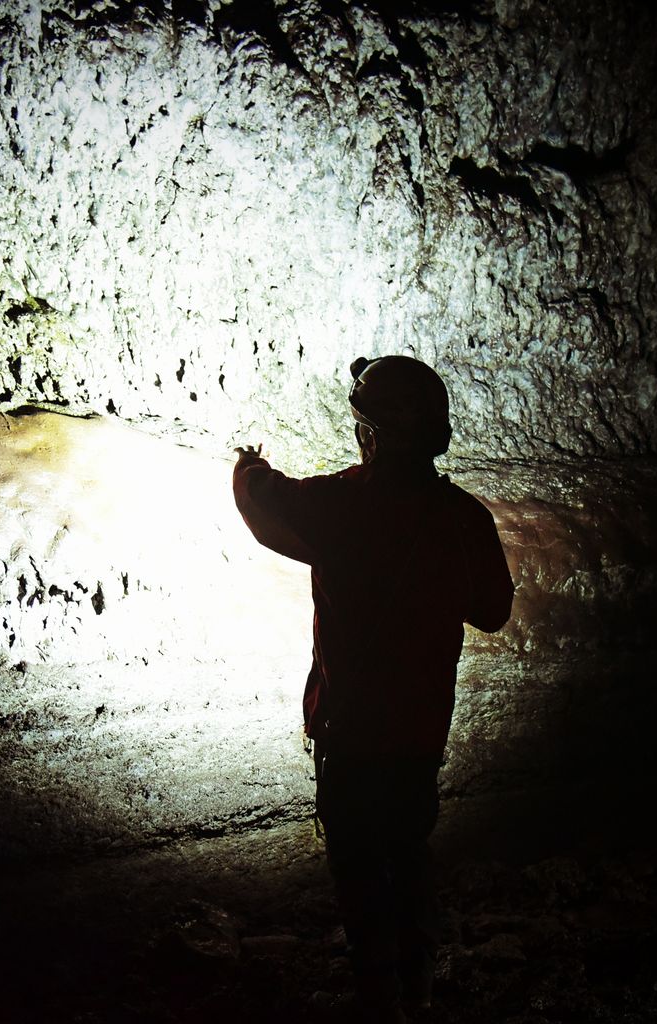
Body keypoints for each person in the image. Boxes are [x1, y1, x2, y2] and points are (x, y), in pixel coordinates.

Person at [232, 355, 514, 1022]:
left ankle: (377, 998)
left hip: (349, 730)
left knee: (358, 870)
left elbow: (263, 504)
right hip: (420, 732)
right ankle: (416, 992)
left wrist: (246, 463)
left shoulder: (337, 505)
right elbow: (494, 611)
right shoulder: (464, 519)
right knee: (408, 854)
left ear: (370, 435)